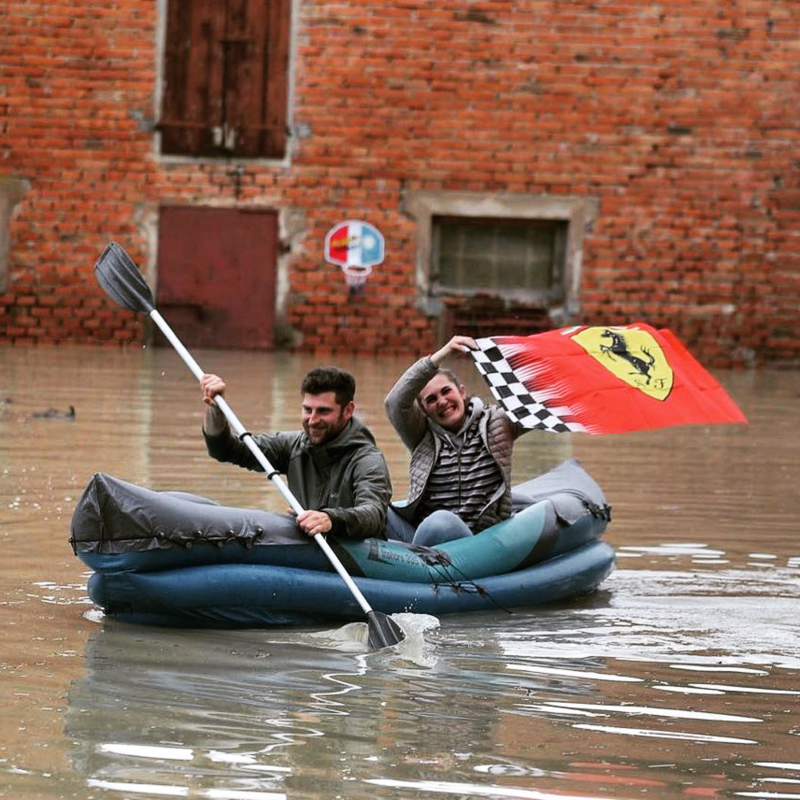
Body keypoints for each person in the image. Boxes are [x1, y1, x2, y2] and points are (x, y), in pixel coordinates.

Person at [201, 366, 392, 540]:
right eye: (307, 410)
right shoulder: (293, 445)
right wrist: (216, 409)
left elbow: (373, 515)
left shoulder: (368, 460)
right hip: (307, 548)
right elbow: (226, 450)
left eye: (323, 411)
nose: (312, 420)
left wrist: (330, 519)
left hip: (358, 556)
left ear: (348, 410)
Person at [384, 335, 526, 547]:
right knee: (373, 508)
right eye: (431, 400)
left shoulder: (497, 422)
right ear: (423, 410)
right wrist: (443, 354)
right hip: (424, 539)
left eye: (446, 391)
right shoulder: (421, 435)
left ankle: (411, 566)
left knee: (441, 521)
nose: (442, 402)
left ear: (461, 391)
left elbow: (538, 406)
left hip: (477, 541)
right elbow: (395, 402)